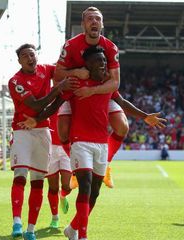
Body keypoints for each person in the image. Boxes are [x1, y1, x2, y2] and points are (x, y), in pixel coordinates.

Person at [19, 45, 165, 240]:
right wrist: (36, 120)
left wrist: (145, 116)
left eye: (104, 61)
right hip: (80, 143)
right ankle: (83, 236)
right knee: (86, 187)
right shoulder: (76, 84)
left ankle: (72, 229)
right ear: (87, 64)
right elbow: (55, 105)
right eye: (98, 61)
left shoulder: (108, 84)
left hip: (102, 144)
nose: (103, 64)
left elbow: (122, 103)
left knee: (94, 193)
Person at [54, 6, 130, 188]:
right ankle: (75, 170)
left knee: (122, 126)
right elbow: (58, 74)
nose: (94, 21)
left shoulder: (110, 47)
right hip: (74, 90)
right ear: (83, 24)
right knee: (63, 131)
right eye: (90, 19)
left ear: (102, 24)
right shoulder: (71, 45)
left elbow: (115, 83)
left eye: (97, 19)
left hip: (100, 92)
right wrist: (77, 73)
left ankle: (106, 164)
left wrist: (93, 91)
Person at [8, 43, 77, 240]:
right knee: (20, 175)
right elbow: (37, 104)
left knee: (38, 181)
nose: (30, 58)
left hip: (43, 132)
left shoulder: (47, 70)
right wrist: (58, 89)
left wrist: (78, 65)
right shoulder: (15, 81)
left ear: (36, 56)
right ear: (19, 60)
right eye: (24, 55)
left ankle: (30, 229)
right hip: (22, 130)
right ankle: (17, 223)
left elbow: (64, 71)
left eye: (32, 54)